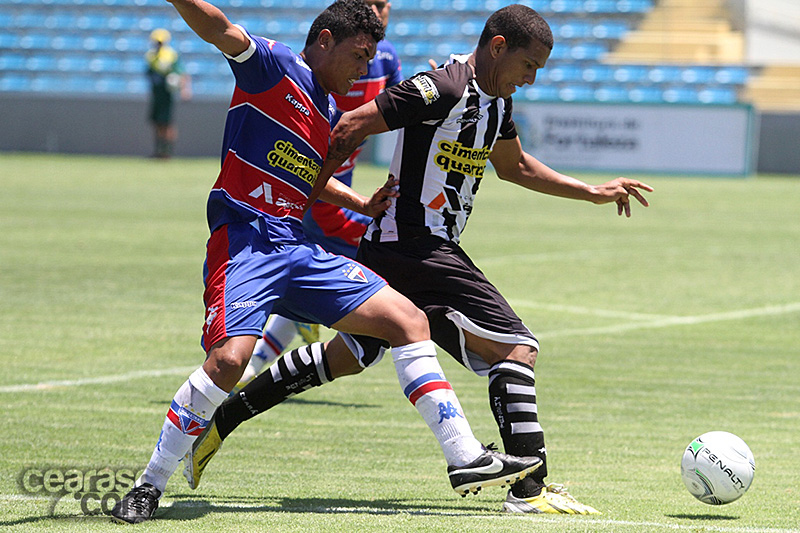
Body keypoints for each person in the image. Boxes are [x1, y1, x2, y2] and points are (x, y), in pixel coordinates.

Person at [190, 4, 653, 516]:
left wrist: (591, 192)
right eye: (529, 65)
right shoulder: (444, 87)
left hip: (403, 248)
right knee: (516, 348)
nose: (532, 78)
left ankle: (226, 416)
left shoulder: (494, 103)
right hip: (415, 245)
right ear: (498, 47)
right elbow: (350, 125)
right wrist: (303, 197)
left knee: (350, 356)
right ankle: (530, 489)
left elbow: (515, 165)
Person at [111, 0, 540, 524]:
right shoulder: (272, 66)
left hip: (296, 246)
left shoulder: (329, 113)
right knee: (228, 363)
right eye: (359, 57)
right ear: (324, 41)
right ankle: (149, 483)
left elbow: (310, 179)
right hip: (246, 240)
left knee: (407, 321)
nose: (364, 71)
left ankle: (465, 457)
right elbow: (218, 27)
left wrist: (361, 203)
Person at [237, 0, 403, 391]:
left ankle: (260, 358)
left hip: (338, 184)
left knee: (322, 270)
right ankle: (274, 353)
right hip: (315, 192)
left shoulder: (385, 58)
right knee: (378, 262)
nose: (379, 11)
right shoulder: (323, 63)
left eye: (384, 5)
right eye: (371, 4)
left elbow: (400, 109)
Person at [145, 28, 191, 159]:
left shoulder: (171, 55)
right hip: (156, 93)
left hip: (167, 94)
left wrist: (184, 89)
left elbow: (182, 73)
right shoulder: (150, 56)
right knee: (157, 123)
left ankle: (167, 151)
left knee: (167, 123)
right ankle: (158, 150)